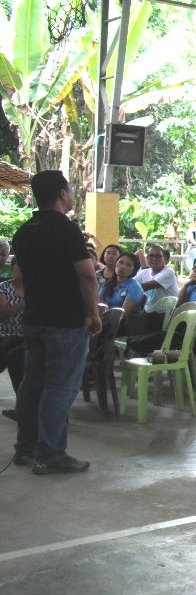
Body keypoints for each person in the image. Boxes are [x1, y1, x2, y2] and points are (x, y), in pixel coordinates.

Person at [12, 170, 101, 474]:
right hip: (65, 321)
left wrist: (33, 298)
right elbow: (87, 273)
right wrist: (93, 312)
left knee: (32, 384)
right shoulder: (66, 229)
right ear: (62, 194)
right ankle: (50, 454)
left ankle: (25, 448)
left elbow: (19, 276)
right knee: (60, 388)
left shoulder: (24, 230)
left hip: (34, 318)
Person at [0, 260, 26, 408]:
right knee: (11, 348)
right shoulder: (3, 288)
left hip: (28, 335)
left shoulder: (35, 288)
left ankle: (22, 405)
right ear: (12, 269)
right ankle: (22, 405)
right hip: (5, 333)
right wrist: (24, 303)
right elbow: (2, 314)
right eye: (19, 266)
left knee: (14, 352)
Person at [134, 245, 179, 312]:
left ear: (164, 259)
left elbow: (147, 286)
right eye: (151, 256)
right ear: (147, 258)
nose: (154, 259)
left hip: (165, 315)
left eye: (158, 256)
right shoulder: (144, 272)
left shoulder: (169, 272)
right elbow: (131, 284)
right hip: (148, 313)